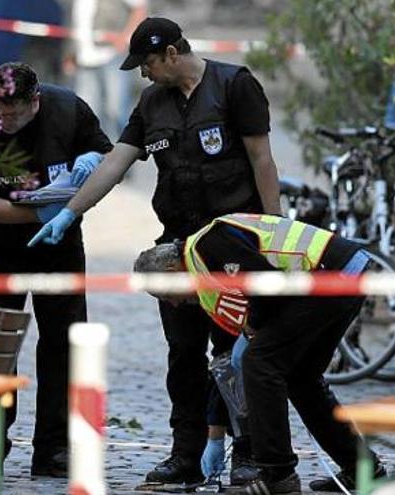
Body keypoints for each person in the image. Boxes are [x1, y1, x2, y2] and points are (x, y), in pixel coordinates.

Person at [28, 16, 281, 488]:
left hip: (234, 246)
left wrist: (274, 233)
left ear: (170, 53)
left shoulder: (235, 86)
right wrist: (72, 212)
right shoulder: (152, 103)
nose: (142, 73)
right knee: (183, 356)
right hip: (178, 250)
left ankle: (249, 453)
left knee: (236, 353)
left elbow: (262, 160)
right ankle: (184, 454)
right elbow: (116, 162)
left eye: (146, 63)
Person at [132, 213, 387, 494]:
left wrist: (253, 327)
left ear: (171, 273)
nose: (175, 305)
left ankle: (277, 474)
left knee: (261, 363)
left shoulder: (209, 244)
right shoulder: (205, 264)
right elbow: (229, 361)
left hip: (331, 271)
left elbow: (267, 287)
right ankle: (362, 470)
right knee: (301, 378)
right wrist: (214, 435)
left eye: (166, 296)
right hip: (345, 269)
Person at [0, 62, 112, 477]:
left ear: (35, 101)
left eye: (14, 114)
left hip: (58, 246)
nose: (4, 121)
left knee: (62, 343)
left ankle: (53, 449)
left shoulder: (66, 109)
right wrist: (38, 214)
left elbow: (106, 154)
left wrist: (89, 163)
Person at [71, 0, 148, 139]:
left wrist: (126, 38)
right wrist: (70, 53)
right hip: (84, 60)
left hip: (111, 56)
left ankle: (125, 153)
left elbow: (140, 8)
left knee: (116, 112)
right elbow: (75, 22)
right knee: (86, 113)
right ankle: (96, 157)